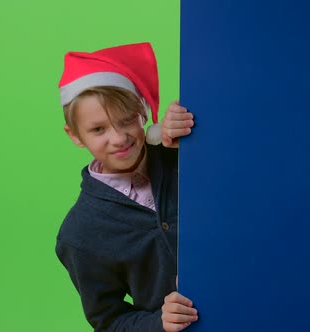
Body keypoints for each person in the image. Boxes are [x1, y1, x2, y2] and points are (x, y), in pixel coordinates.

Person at [55, 42, 198, 332]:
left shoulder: (184, 156)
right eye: (98, 129)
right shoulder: (79, 233)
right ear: (75, 135)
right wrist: (158, 322)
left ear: (143, 114)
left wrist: (190, 128)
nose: (119, 138)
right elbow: (109, 321)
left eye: (126, 121)